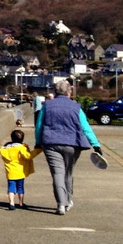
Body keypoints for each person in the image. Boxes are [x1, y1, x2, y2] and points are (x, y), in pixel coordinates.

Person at [35, 79, 101, 215]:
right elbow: (85, 127)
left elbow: (39, 126)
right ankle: (68, 201)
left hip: (51, 143)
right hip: (72, 144)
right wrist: (95, 144)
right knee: (68, 173)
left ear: (55, 91)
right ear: (69, 93)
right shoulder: (76, 108)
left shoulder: (47, 106)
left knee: (57, 173)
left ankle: (60, 204)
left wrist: (38, 142)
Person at [0, 129, 36, 210]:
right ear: (22, 139)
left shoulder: (6, 148)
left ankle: (11, 203)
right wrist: (38, 150)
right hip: (20, 172)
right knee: (20, 188)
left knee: (11, 188)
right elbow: (28, 156)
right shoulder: (21, 148)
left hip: (10, 172)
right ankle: (21, 203)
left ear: (12, 138)